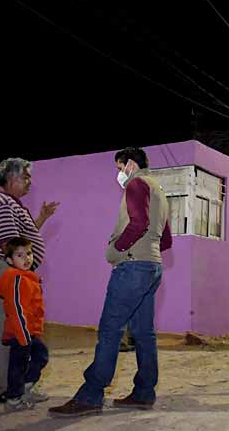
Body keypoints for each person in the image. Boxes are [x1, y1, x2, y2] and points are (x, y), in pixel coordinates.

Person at [49, 147, 173, 417]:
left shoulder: (137, 184)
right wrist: (145, 254)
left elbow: (138, 223)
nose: (119, 174)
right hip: (152, 267)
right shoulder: (160, 191)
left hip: (131, 267)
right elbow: (166, 240)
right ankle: (143, 393)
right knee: (143, 333)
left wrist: (117, 249)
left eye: (119, 168)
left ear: (130, 164)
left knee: (110, 330)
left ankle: (91, 395)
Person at [0, 157, 59, 403]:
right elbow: (10, 247)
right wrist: (25, 277)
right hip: (10, 275)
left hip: (15, 274)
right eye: (25, 177)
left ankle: (16, 386)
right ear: (12, 178)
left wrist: (41, 218)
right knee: (10, 333)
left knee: (18, 333)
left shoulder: (11, 204)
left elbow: (21, 241)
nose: (29, 182)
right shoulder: (5, 205)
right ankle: (2, 389)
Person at [0, 237, 49, 412]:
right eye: (19, 255)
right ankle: (14, 399)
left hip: (30, 331)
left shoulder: (28, 277)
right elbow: (16, 309)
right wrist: (23, 335)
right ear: (9, 261)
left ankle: (25, 386)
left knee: (41, 355)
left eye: (29, 254)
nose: (26, 258)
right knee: (18, 365)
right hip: (20, 333)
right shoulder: (16, 280)